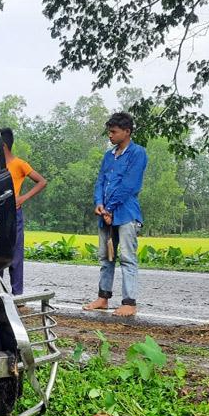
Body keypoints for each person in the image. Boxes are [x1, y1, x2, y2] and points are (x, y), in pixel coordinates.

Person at [83, 113, 147, 316]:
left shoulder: (138, 153)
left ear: (127, 132)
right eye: (109, 131)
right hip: (106, 214)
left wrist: (110, 208)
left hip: (126, 213)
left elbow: (130, 184)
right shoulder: (108, 156)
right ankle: (103, 298)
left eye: (114, 132)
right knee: (105, 257)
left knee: (127, 258)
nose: (110, 135)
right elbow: (100, 181)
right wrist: (99, 204)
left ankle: (129, 302)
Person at [0, 127, 46, 295]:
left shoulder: (19, 164)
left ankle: (17, 294)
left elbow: (41, 181)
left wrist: (22, 198)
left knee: (16, 255)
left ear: (3, 145)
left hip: (14, 214)